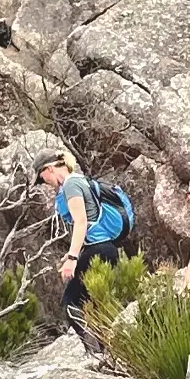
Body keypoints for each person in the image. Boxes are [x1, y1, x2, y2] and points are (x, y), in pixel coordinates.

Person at [38, 151, 129, 353]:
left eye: (42, 177)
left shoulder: (71, 185)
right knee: (97, 304)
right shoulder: (80, 181)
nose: (44, 182)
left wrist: (71, 259)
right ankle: (109, 352)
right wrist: (74, 253)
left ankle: (95, 354)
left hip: (97, 250)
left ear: (49, 168)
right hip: (106, 249)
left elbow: (81, 221)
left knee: (72, 304)